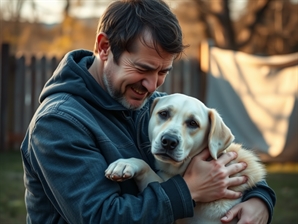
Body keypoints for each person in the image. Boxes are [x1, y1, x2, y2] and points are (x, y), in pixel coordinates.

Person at [20, 0, 276, 223]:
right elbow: (101, 217)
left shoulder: (152, 104)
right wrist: (187, 191)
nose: (152, 86)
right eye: (143, 68)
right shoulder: (57, 123)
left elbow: (224, 157)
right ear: (104, 47)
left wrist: (259, 198)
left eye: (163, 72)